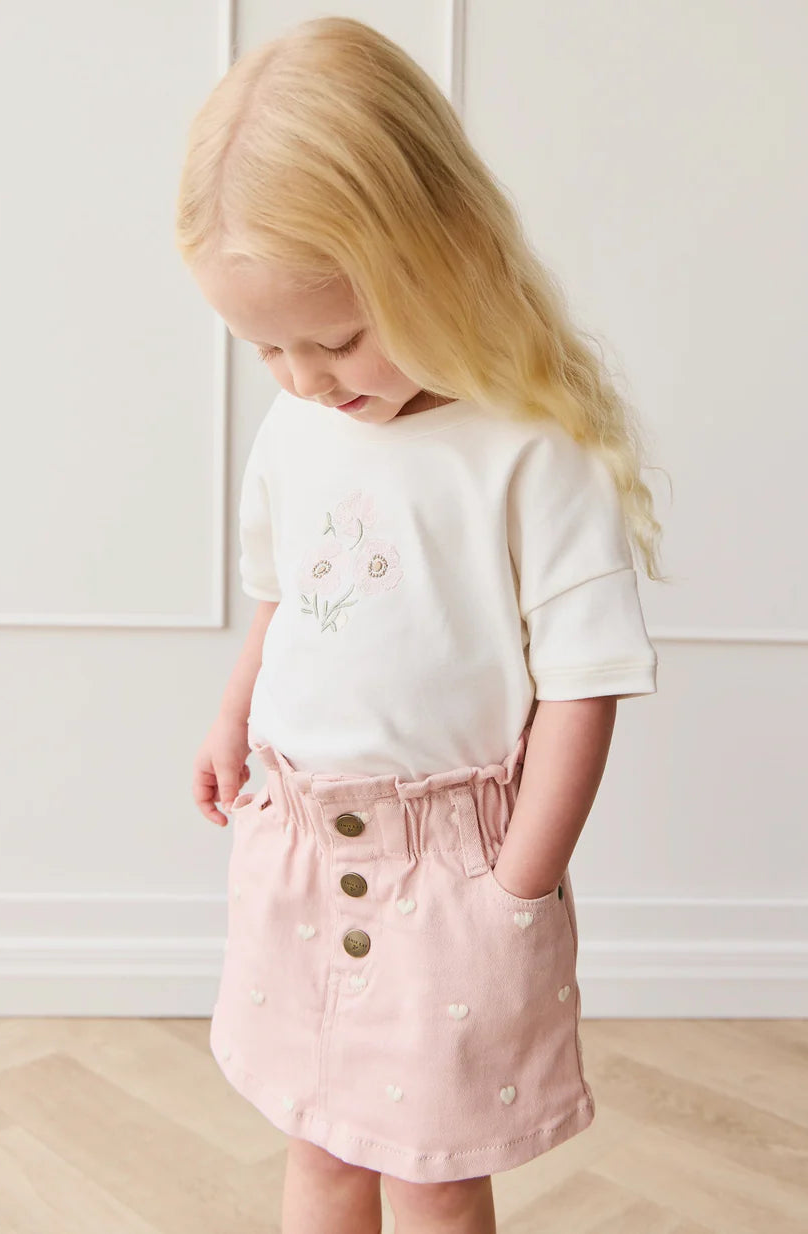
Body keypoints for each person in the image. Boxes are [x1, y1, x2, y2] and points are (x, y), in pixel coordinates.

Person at [176, 15, 669, 1234]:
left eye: (337, 338)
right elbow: (288, 595)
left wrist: (516, 888)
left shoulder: (532, 448)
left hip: (455, 874)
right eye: (264, 348)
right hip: (298, 837)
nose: (302, 377)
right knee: (318, 1140)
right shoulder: (300, 423)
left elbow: (583, 687)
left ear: (434, 257)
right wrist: (233, 715)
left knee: (434, 1171)